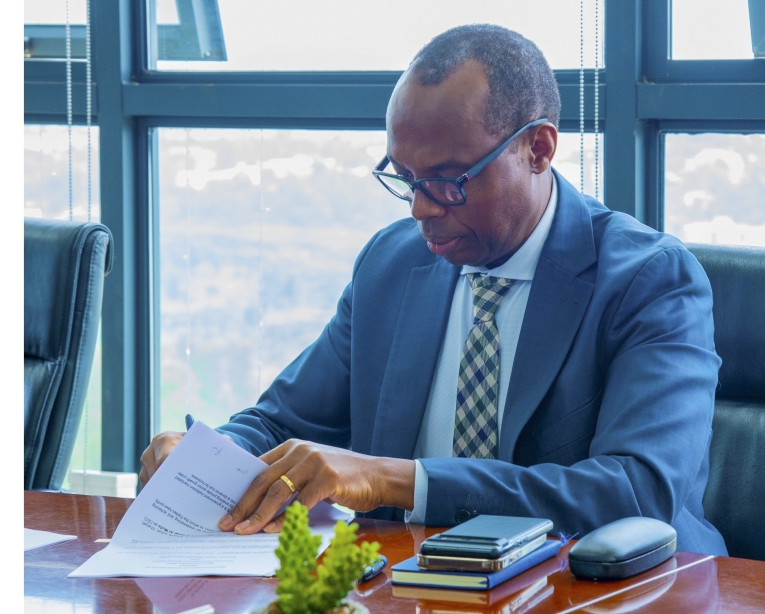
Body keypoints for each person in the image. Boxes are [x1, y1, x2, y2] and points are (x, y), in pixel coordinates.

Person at [139, 24, 728, 556]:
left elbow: (636, 492)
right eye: (405, 179)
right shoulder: (391, 266)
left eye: (448, 181)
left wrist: (395, 480)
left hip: (601, 592)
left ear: (538, 149)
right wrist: (203, 459)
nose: (422, 208)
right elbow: (280, 425)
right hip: (407, 589)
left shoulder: (649, 281)